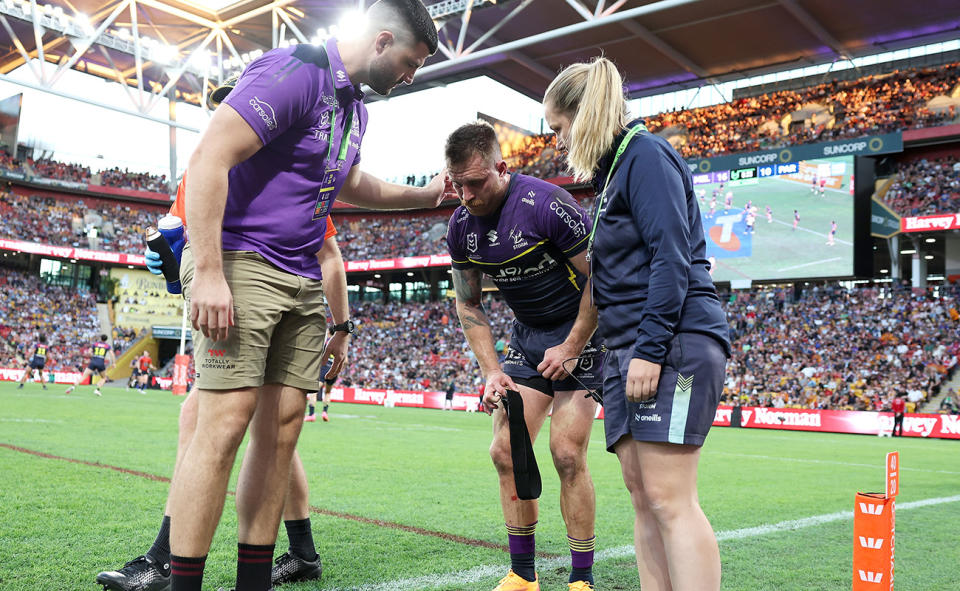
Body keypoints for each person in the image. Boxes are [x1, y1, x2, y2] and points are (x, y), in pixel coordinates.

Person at [164, 1, 444, 590]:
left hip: (302, 275)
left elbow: (351, 183)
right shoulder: (293, 73)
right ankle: (184, 580)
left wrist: (424, 195)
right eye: (410, 63)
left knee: (284, 425)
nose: (410, 76)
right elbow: (210, 157)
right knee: (225, 420)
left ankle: (253, 583)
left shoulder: (354, 110)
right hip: (242, 260)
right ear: (382, 40)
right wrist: (210, 273)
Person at [544, 57, 731, 591]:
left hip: (670, 344)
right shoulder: (613, 174)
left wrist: (649, 349)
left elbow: (670, 258)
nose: (558, 142)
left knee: (670, 498)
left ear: (585, 114)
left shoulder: (645, 155)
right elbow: (608, 278)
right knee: (643, 495)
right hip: (625, 350)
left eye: (559, 127)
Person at [96, 228, 348, 591]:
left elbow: (326, 246)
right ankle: (302, 552)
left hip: (259, 291)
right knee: (272, 427)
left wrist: (342, 326)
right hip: (251, 287)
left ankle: (165, 557)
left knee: (232, 421)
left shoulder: (267, 177)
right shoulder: (211, 178)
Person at [445, 121, 602, 591]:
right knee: (504, 452)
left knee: (566, 453)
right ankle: (523, 574)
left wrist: (573, 346)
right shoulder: (460, 227)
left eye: (475, 183)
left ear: (502, 167)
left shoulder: (549, 205)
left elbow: (601, 279)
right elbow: (468, 301)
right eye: (457, 185)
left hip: (584, 335)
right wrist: (491, 371)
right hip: (528, 339)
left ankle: (581, 578)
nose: (467, 195)